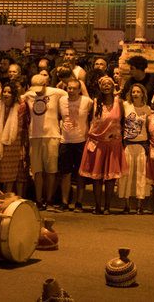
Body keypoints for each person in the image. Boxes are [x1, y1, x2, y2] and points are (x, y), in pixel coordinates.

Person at [80, 76, 127, 214]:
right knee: (97, 176)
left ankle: (107, 206)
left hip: (113, 144)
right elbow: (89, 121)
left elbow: (123, 121)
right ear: (100, 87)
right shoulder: (95, 103)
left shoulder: (120, 102)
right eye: (104, 84)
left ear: (113, 87)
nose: (106, 86)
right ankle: (98, 205)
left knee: (110, 177)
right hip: (97, 142)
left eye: (109, 84)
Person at [22, 72, 70, 210]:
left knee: (51, 170)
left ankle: (49, 199)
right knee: (37, 170)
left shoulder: (56, 92)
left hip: (52, 135)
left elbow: (71, 96)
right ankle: (38, 199)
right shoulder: (29, 94)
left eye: (40, 88)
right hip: (35, 135)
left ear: (45, 84)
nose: (37, 92)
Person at [117, 82, 152, 214]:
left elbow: (149, 128)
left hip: (142, 145)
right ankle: (126, 205)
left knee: (140, 175)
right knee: (126, 175)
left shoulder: (148, 109)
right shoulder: (126, 106)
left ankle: (139, 204)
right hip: (128, 145)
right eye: (133, 92)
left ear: (143, 93)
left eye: (138, 92)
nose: (135, 94)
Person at [59, 77, 92, 211]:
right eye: (69, 88)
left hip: (81, 141)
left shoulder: (86, 101)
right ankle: (64, 202)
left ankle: (79, 202)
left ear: (79, 90)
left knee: (80, 173)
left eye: (74, 88)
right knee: (65, 173)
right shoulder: (61, 100)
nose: (71, 90)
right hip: (65, 140)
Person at [0, 81, 28, 194]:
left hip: (15, 141)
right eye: (4, 92)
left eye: (9, 92)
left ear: (14, 94)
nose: (6, 94)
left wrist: (22, 145)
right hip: (1, 140)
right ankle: (3, 197)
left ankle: (11, 199)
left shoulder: (20, 106)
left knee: (14, 172)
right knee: (3, 172)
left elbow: (22, 127)